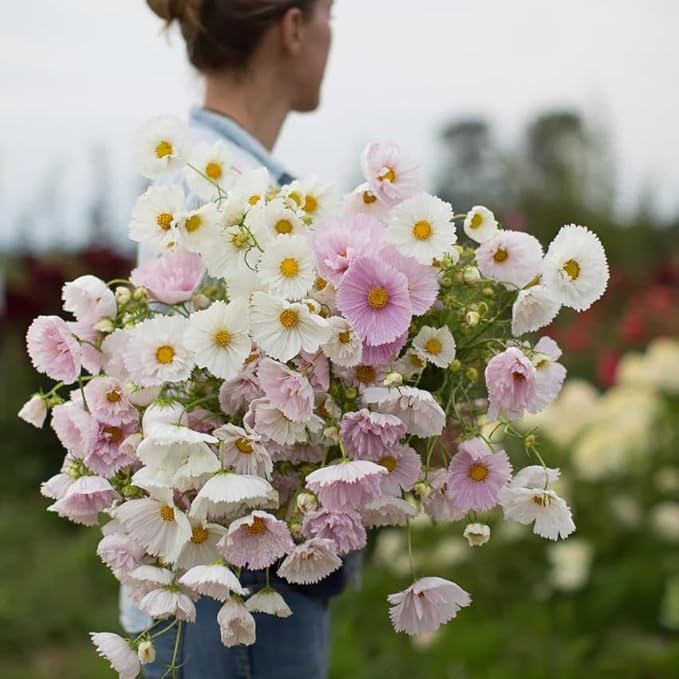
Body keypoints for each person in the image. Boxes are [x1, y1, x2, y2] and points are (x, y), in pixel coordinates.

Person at [121, 2, 346, 677]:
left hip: (213, 587)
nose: (334, 36)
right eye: (331, 15)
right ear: (294, 27)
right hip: (235, 596)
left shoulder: (198, 173)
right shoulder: (222, 193)